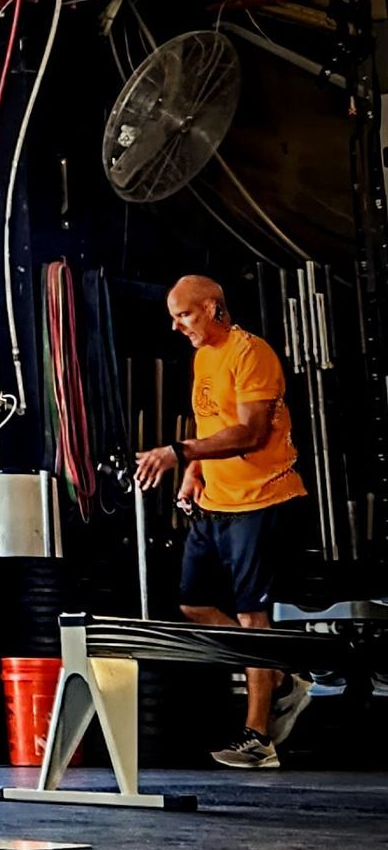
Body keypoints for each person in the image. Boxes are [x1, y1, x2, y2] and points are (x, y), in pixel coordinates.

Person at [135, 274, 313, 769]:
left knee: (254, 620)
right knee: (193, 605)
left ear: (213, 307)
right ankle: (278, 677)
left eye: (184, 315)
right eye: (173, 317)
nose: (176, 326)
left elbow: (252, 433)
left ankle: (258, 738)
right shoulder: (203, 356)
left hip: (261, 501)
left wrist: (176, 452)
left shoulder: (251, 354)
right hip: (216, 502)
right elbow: (212, 425)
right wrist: (193, 470)